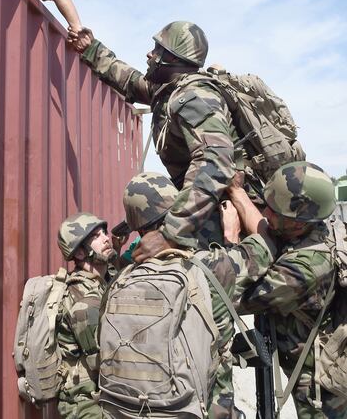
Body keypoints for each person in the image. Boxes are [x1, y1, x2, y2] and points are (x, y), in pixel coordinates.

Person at [104, 171, 278, 419]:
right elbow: (267, 242)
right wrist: (231, 235)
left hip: (133, 410)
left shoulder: (120, 280)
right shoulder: (210, 268)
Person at [70, 20, 245, 254]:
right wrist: (91, 48)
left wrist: (171, 233)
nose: (149, 54)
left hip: (219, 211)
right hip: (201, 207)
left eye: (156, 49)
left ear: (172, 58)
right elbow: (129, 80)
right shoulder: (168, 91)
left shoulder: (194, 96)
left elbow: (214, 161)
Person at [227, 161, 347, 419]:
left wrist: (231, 241)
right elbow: (267, 227)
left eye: (275, 212)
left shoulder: (306, 270)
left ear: (299, 223)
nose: (267, 215)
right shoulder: (317, 230)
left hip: (320, 385)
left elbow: (232, 298)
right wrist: (237, 193)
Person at [56, 212, 115, 419]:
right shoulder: (81, 299)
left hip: (102, 396)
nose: (106, 238)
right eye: (96, 236)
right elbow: (103, 361)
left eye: (104, 232)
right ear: (80, 253)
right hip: (84, 404)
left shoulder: (103, 282)